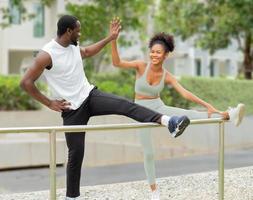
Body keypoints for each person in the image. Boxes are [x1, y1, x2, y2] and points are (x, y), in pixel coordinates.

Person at [20, 15, 191, 200]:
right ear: (68, 31)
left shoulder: (73, 46)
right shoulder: (47, 54)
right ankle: (72, 197)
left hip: (90, 96)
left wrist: (110, 38)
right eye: (78, 30)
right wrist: (49, 103)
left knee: (125, 105)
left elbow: (86, 52)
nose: (80, 32)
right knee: (76, 154)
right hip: (71, 109)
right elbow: (26, 82)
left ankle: (169, 122)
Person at [110, 18, 245, 200]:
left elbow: (185, 93)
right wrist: (113, 39)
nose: (154, 55)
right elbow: (117, 63)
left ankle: (228, 114)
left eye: (158, 53)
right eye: (152, 52)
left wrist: (207, 105)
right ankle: (153, 191)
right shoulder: (141, 66)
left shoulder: (167, 75)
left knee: (191, 114)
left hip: (159, 107)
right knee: (148, 152)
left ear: (166, 55)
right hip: (140, 111)